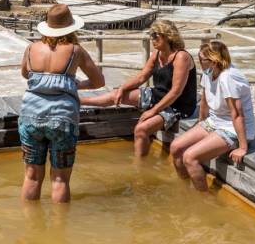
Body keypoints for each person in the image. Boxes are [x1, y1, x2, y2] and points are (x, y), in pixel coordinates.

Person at [19, 4, 105, 203]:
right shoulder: (76, 51)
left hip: (30, 116)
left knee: (31, 176)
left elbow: (26, 74)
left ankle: (31, 228)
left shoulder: (31, 48)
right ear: (71, 28)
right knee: (60, 180)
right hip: (62, 119)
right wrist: (75, 84)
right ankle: (60, 229)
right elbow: (98, 81)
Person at [80, 20, 197, 157]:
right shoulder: (156, 54)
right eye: (151, 35)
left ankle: (139, 168)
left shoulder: (181, 57)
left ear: (167, 36)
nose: (152, 38)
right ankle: (80, 101)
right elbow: (142, 77)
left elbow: (176, 92)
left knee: (141, 130)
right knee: (116, 94)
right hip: (158, 95)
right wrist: (122, 88)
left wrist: (152, 111)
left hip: (178, 105)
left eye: (155, 35)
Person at [170, 41, 255, 192]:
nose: (198, 62)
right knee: (175, 147)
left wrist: (243, 147)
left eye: (201, 59)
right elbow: (204, 100)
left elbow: (237, 114)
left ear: (214, 61)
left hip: (232, 129)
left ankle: (203, 199)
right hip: (215, 122)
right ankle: (185, 186)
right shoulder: (208, 73)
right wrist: (200, 123)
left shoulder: (228, 78)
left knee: (190, 157)